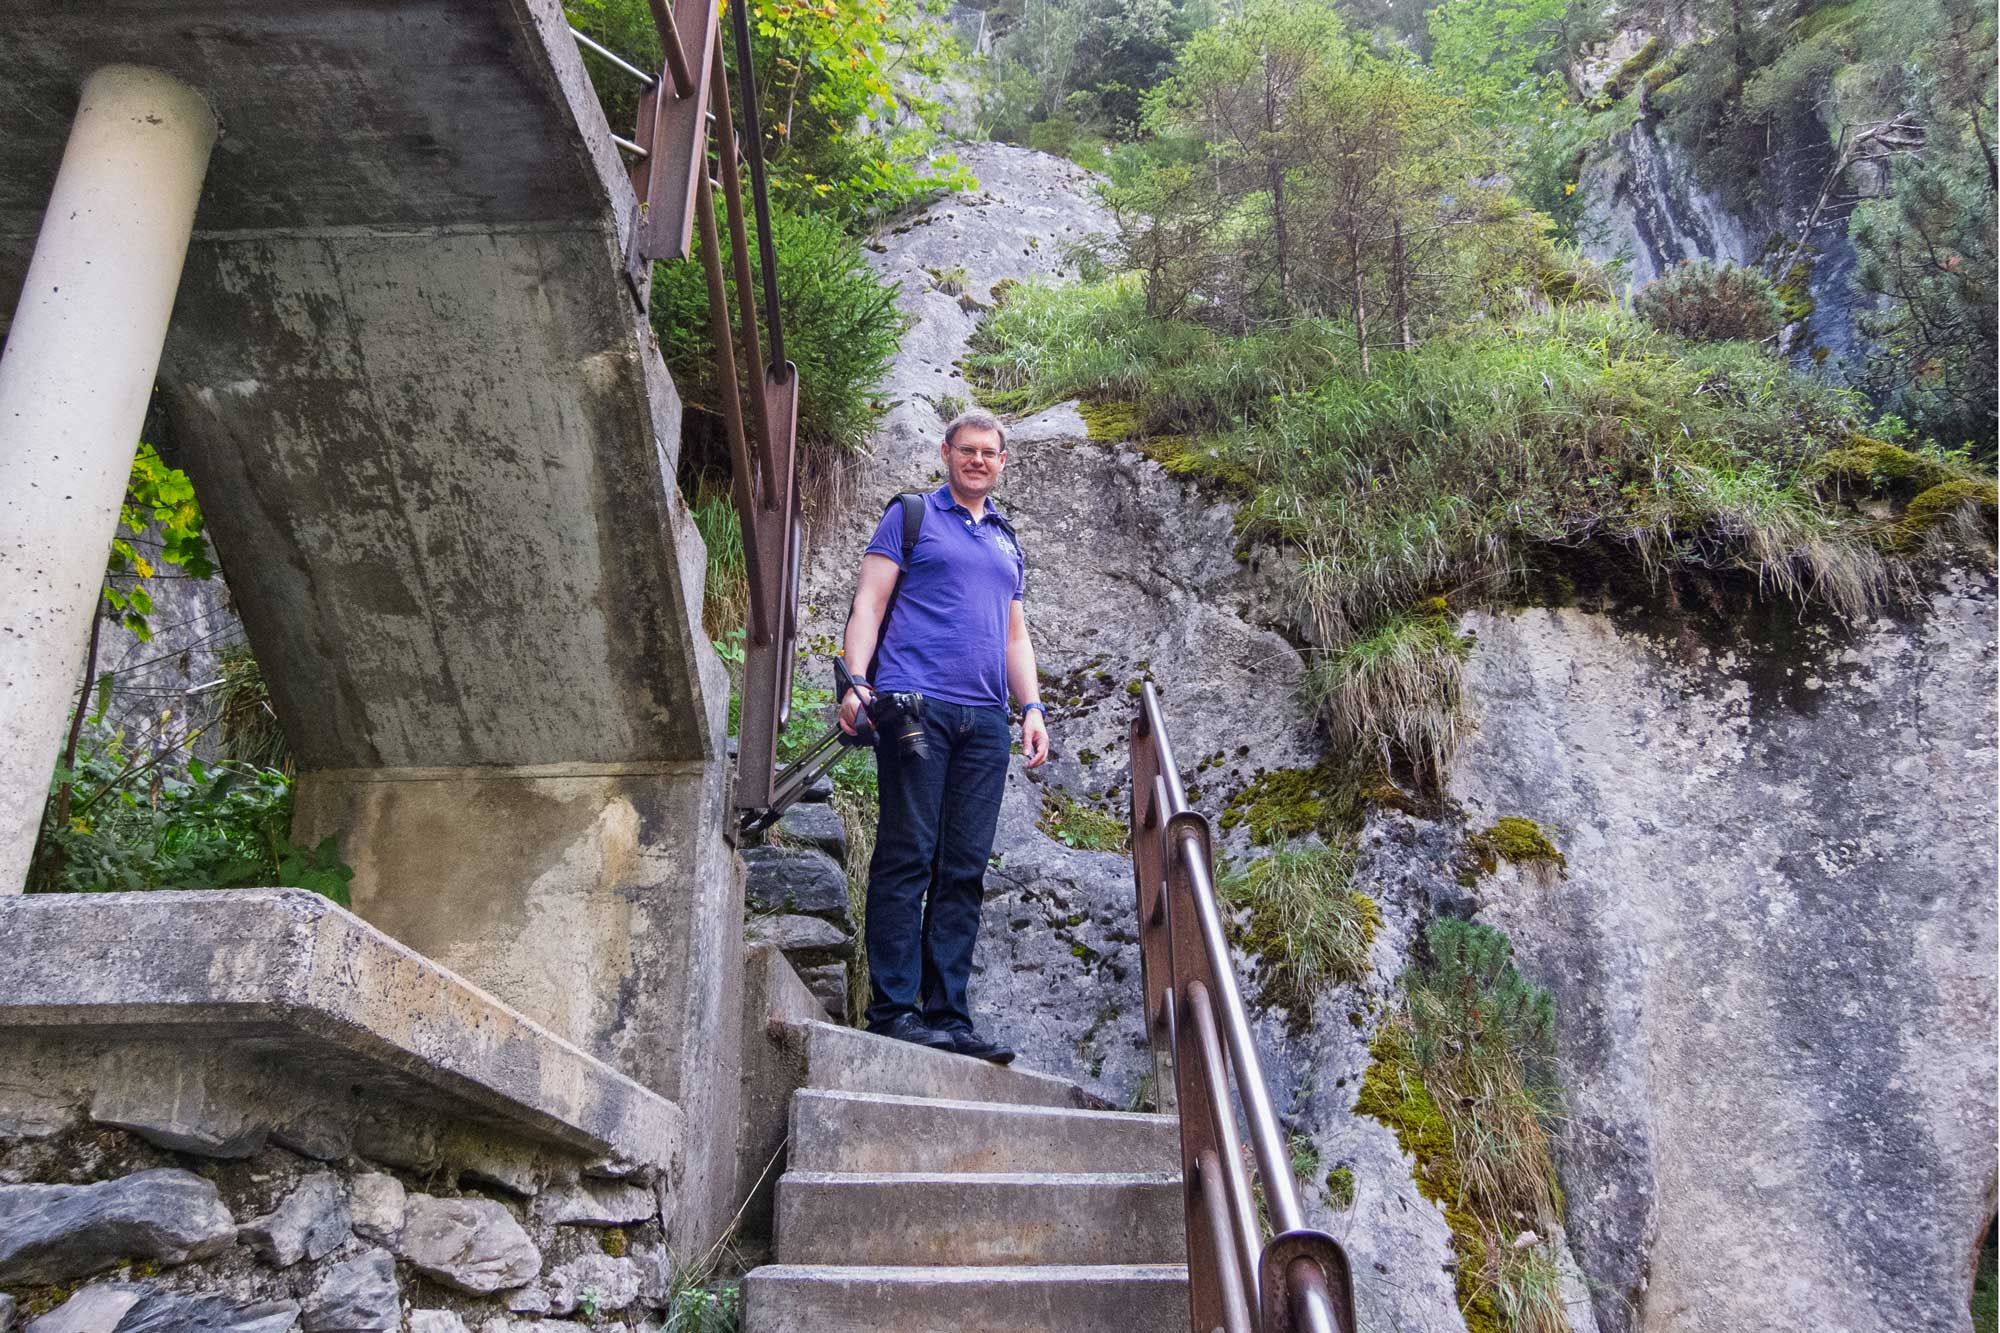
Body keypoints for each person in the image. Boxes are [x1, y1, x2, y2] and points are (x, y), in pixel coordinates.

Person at [839, 408, 1050, 1064]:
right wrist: (853, 682)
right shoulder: (911, 516)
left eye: (989, 452)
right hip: (914, 707)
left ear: (1002, 461)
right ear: (947, 451)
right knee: (909, 853)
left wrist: (1033, 708)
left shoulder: (1006, 541)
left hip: (986, 720)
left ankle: (947, 1013)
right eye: (968, 449)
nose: (978, 459)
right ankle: (895, 1009)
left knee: (963, 865)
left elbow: (1015, 635)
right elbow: (869, 603)